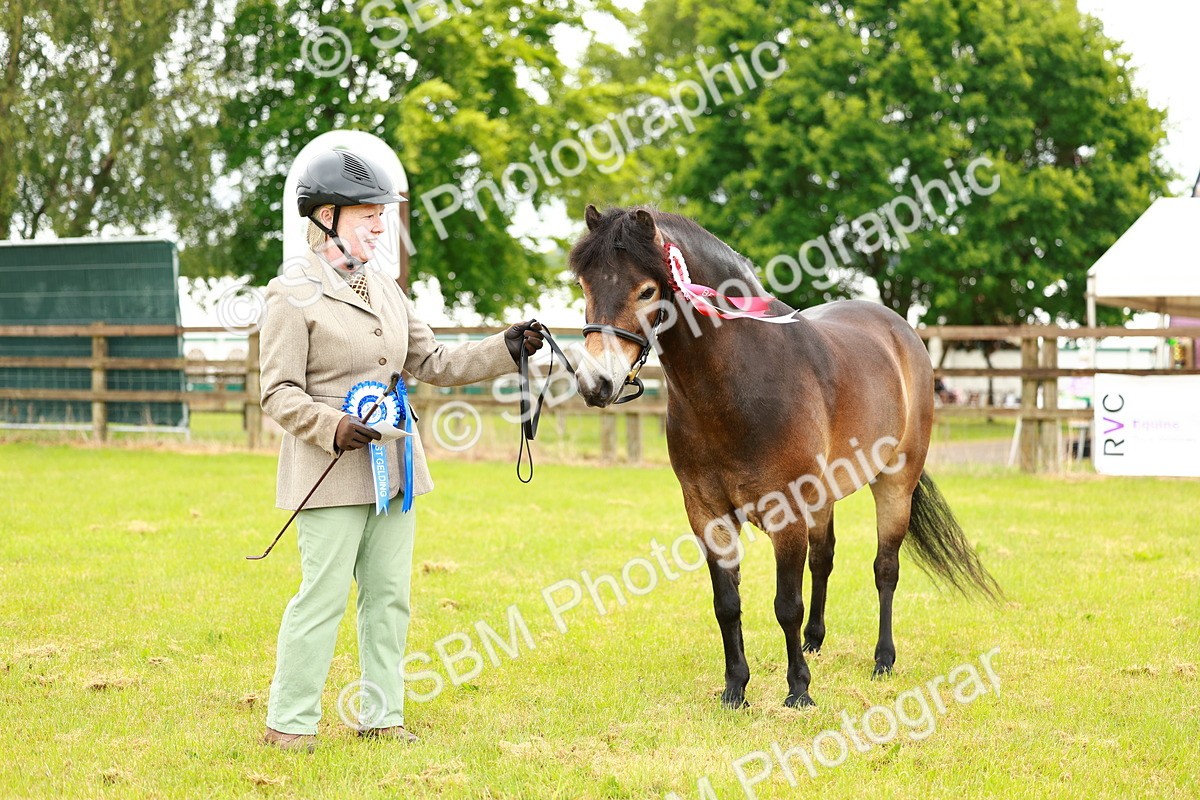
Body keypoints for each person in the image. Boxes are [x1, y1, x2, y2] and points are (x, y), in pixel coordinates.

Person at [258, 148, 544, 751]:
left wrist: (506, 345)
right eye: (369, 217)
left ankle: (381, 717)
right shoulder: (289, 294)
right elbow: (277, 392)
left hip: (394, 470)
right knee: (323, 597)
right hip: (330, 468)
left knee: (389, 597)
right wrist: (331, 425)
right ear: (327, 216)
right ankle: (290, 723)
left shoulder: (385, 287)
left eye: (382, 217)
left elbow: (434, 362)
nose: (382, 228)